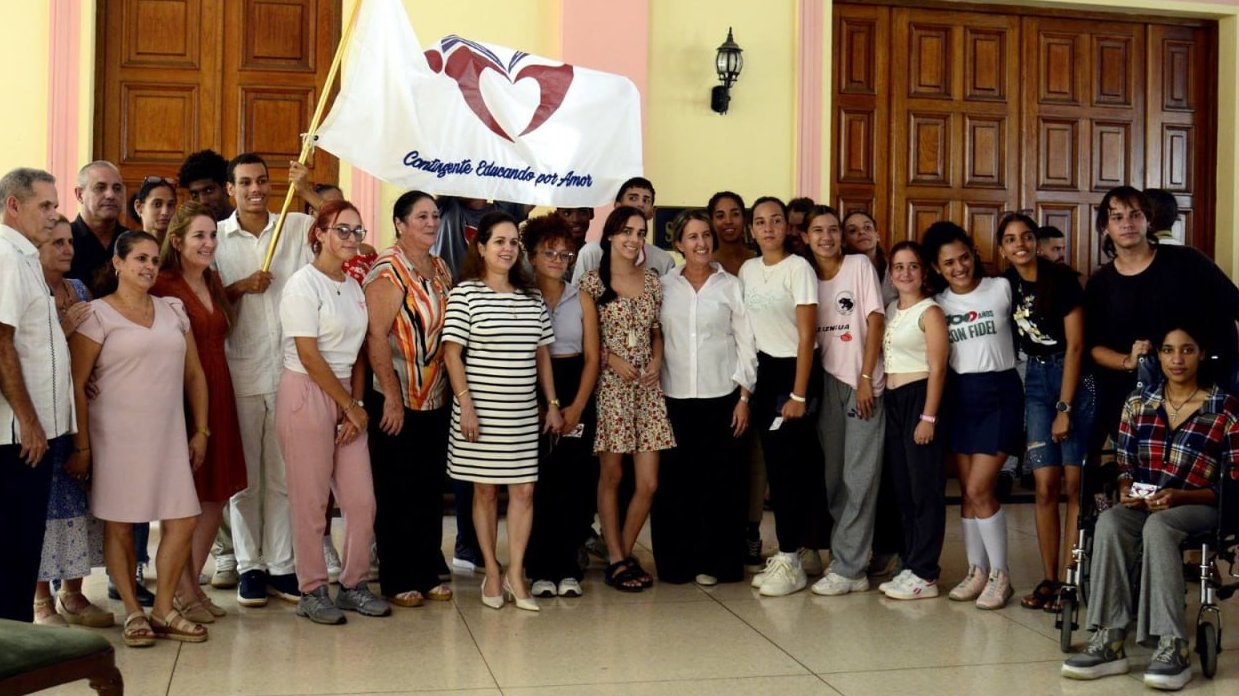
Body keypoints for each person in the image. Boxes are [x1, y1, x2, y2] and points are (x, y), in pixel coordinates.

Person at [1061, 326, 1238, 691]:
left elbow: (1232, 484)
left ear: (1201, 354)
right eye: (1169, 350)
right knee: (1110, 521)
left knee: (1159, 527)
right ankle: (1110, 637)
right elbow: (1126, 464)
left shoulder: (1225, 409)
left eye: (1187, 350)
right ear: (1157, 355)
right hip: (1147, 501)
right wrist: (1126, 488)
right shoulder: (1138, 404)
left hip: (1201, 503)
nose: (1177, 359)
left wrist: (1181, 497)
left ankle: (1173, 644)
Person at [69, 230, 209, 646]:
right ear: (118, 263)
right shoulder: (95, 315)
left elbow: (195, 375)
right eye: (140, 259)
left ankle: (164, 608)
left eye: (153, 260)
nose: (148, 267)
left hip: (168, 434)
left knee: (183, 519)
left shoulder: (173, 310)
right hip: (115, 436)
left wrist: (200, 429)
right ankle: (133, 612)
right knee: (121, 524)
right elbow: (77, 384)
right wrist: (83, 445)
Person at [276, 199, 389, 625]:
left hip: (346, 396)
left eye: (358, 231)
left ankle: (354, 585)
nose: (351, 239)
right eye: (342, 229)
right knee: (310, 502)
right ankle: (312, 590)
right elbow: (307, 353)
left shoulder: (353, 285)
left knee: (361, 502)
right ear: (319, 233)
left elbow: (359, 352)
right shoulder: (302, 286)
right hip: (306, 393)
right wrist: (346, 405)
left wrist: (355, 406)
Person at [443, 211, 563, 611]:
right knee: (484, 492)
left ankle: (516, 574)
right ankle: (492, 573)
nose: (507, 249)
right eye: (499, 241)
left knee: (525, 491)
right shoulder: (465, 294)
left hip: (522, 415)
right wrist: (466, 405)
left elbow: (542, 355)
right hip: (478, 413)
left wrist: (551, 403)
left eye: (513, 242)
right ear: (481, 248)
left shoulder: (531, 299)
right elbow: (452, 355)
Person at [213, 152, 314, 607]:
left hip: (289, 370)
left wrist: (308, 187)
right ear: (230, 190)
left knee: (283, 475)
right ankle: (249, 565)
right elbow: (199, 295)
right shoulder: (214, 238)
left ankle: (280, 564)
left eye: (263, 181)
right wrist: (238, 288)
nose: (256, 189)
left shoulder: (293, 225)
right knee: (245, 478)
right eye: (245, 182)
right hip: (238, 368)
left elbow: (338, 226)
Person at [151, 203, 249, 625]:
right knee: (186, 499)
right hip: (183, 395)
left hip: (219, 388)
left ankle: (191, 584)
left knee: (215, 492)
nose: (209, 244)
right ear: (177, 241)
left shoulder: (213, 279)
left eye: (212, 236)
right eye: (199, 237)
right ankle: (180, 591)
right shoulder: (162, 285)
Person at [1084, 186, 1239, 448]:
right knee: (1142, 476)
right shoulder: (1100, 284)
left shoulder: (1188, 261)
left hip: (1203, 393)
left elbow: (1234, 307)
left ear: (1148, 220)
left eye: (1135, 215)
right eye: (1117, 217)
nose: (1128, 224)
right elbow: (1094, 347)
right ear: (1104, 227)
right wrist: (1127, 361)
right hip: (1135, 400)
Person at [652, 210, 756, 586]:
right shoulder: (663, 286)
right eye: (692, 237)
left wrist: (744, 395)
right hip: (673, 397)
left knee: (720, 484)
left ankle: (718, 563)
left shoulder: (730, 285)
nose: (701, 243)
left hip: (722, 397)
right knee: (676, 485)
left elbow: (746, 342)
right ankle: (677, 563)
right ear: (678, 244)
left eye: (705, 236)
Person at [997, 213, 1094, 612]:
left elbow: (1075, 346)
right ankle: (1050, 578)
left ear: (1036, 241)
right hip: (1035, 379)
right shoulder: (1005, 285)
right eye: (1009, 239)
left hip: (1073, 380)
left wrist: (1064, 408)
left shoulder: (1061, 280)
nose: (1019, 244)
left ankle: (1071, 580)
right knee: (1044, 486)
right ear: (1002, 247)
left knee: (1074, 486)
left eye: (1026, 236)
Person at [924, 221, 1022, 610]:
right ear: (937, 268)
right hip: (959, 397)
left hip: (999, 393)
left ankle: (1002, 575)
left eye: (964, 257)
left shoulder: (1000, 288)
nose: (960, 267)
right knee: (967, 493)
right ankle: (976, 570)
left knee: (982, 489)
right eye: (949, 263)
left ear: (974, 254)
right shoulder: (939, 305)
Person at [364, 191, 455, 607]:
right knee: (396, 488)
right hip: (396, 396)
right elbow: (376, 335)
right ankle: (398, 575)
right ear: (400, 223)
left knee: (427, 486)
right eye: (421, 216)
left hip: (435, 395)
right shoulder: (388, 269)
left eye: (435, 215)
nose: (431, 222)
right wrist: (393, 399)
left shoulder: (439, 267)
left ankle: (426, 566)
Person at [579, 206, 676, 593]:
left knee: (649, 482)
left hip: (648, 387)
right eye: (626, 231)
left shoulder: (653, 280)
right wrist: (612, 358)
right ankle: (619, 559)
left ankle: (620, 549)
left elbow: (656, 331)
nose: (633, 239)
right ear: (611, 235)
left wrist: (657, 358)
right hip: (611, 387)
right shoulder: (591, 283)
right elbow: (589, 344)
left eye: (640, 232)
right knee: (613, 475)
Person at [802, 206, 887, 596]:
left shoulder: (858, 266)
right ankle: (846, 556)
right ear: (805, 237)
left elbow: (875, 321)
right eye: (817, 230)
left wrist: (867, 377)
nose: (826, 237)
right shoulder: (803, 275)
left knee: (859, 476)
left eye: (833, 230)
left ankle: (850, 568)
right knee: (834, 478)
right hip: (826, 384)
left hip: (861, 383)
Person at [0, 168, 73, 623]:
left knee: (23, 547)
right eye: (44, 205)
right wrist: (28, 418)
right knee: (13, 547)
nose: (54, 214)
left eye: (54, 204)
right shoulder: (7, 258)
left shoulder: (24, 256)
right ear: (13, 206)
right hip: (17, 436)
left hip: (35, 430)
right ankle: (11, 654)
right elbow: (1, 340)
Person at [741, 196, 823, 597]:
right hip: (765, 373)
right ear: (751, 230)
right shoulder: (747, 269)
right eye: (760, 221)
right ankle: (790, 550)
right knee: (776, 468)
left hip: (795, 373)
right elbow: (747, 333)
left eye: (776, 220)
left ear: (786, 228)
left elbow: (808, 335)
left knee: (791, 470)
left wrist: (799, 393)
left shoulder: (799, 268)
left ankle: (792, 556)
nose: (769, 227)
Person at [31, 215, 110, 627]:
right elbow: (25, 352)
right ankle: (41, 599)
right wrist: (61, 330)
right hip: (39, 414)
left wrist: (92, 375)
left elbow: (91, 349)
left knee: (78, 502)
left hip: (78, 414)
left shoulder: (78, 289)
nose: (66, 249)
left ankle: (74, 593)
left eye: (68, 242)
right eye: (56, 243)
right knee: (41, 508)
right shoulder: (28, 290)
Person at [523, 214, 600, 598]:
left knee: (574, 483)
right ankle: (538, 567)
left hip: (575, 389)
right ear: (532, 256)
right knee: (536, 484)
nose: (558, 258)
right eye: (549, 252)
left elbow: (592, 358)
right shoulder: (521, 296)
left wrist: (577, 406)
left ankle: (568, 565)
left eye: (564, 253)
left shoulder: (581, 296)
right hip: (531, 392)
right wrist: (537, 406)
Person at [878, 241, 948, 600]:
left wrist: (928, 417)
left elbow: (937, 368)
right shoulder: (891, 308)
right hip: (893, 400)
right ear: (891, 273)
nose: (905, 273)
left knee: (925, 491)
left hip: (920, 398)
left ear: (924, 272)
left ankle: (926, 572)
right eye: (899, 267)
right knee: (903, 490)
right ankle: (910, 562)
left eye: (913, 266)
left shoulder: (930, 312)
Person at [572, 178, 677, 283]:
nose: (640, 204)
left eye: (646, 200)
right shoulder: (591, 253)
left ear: (652, 212)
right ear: (617, 206)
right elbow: (577, 297)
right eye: (633, 198)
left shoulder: (664, 261)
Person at [69, 161, 130, 297]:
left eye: (117, 188)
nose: (110, 195)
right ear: (79, 195)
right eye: (100, 187)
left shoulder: (132, 241)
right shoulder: (62, 240)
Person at [843, 211, 897, 307]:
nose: (861, 232)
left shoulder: (895, 268)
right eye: (853, 230)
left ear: (877, 235)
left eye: (867, 227)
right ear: (844, 241)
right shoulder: (840, 272)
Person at [178, 149, 234, 222]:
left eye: (208, 191)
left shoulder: (247, 227)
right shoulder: (189, 230)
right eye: (195, 195)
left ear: (226, 188)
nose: (202, 201)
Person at [709, 191, 756, 277]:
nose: (728, 221)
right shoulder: (707, 265)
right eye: (720, 216)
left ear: (744, 219)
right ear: (711, 222)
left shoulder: (759, 261)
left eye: (735, 214)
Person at [131, 176, 177, 244]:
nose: (165, 212)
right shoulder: (128, 249)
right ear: (139, 207)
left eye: (170, 205)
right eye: (157, 204)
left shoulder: (181, 249)